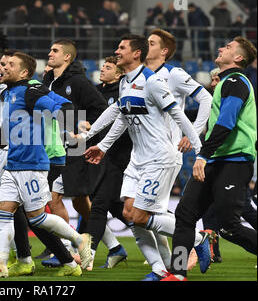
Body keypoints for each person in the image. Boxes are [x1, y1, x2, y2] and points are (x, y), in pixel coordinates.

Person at [83, 34, 211, 281]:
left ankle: (198, 239)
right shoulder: (126, 82)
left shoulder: (157, 80)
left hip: (161, 157)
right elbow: (121, 115)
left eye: (122, 48)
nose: (116, 51)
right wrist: (101, 143)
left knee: (142, 216)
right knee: (131, 216)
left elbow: (179, 114)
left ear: (137, 53)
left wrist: (198, 147)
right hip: (137, 159)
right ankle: (159, 269)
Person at [0, 51, 92, 278]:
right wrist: (3, 137)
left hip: (31, 165)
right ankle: (1, 263)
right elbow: (16, 119)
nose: (3, 68)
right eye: (3, 64)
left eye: (10, 65)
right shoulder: (11, 92)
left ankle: (79, 240)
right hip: (13, 163)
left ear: (24, 72)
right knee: (5, 213)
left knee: (37, 218)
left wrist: (71, 126)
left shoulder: (29, 92)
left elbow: (58, 108)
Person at [164, 38, 257, 281]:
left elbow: (226, 123)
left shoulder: (236, 82)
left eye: (227, 47)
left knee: (229, 227)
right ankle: (178, 272)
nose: (220, 48)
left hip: (233, 162)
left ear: (238, 58)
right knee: (184, 216)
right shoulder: (226, 83)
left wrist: (202, 155)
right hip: (216, 160)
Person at [145, 28, 213, 269]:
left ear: (164, 51)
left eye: (151, 43)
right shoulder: (140, 77)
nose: (146, 46)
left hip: (165, 153)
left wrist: (192, 131)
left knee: (142, 213)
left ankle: (194, 243)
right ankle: (168, 264)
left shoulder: (173, 74)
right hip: (142, 154)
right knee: (141, 212)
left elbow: (206, 98)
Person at [42, 39, 107, 262]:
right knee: (78, 201)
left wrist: (89, 124)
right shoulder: (49, 82)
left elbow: (102, 109)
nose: (50, 53)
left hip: (75, 146)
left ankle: (67, 249)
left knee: (54, 198)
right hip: (55, 145)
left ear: (67, 57)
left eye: (55, 50)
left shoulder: (78, 82)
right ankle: (113, 245)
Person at [75, 56, 130, 269]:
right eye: (103, 66)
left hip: (117, 157)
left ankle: (86, 253)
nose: (103, 69)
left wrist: (94, 130)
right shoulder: (95, 91)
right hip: (95, 154)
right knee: (116, 208)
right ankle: (116, 249)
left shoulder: (121, 94)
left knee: (97, 204)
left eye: (108, 67)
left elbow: (121, 126)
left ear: (119, 74)